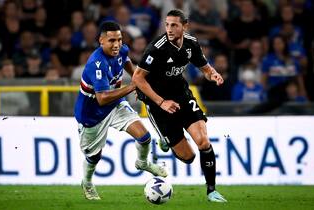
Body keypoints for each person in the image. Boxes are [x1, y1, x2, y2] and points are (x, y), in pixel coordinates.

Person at [132, 9, 227, 202]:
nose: (169, 29)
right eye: (167, 25)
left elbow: (205, 69)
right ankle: (164, 137)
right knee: (188, 157)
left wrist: (213, 75)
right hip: (157, 102)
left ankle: (212, 191)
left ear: (185, 26)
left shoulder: (191, 43)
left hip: (182, 96)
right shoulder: (156, 48)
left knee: (203, 142)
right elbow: (137, 78)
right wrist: (161, 102)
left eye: (174, 25)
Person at [74, 21, 167, 201]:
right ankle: (87, 182)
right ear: (101, 41)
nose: (116, 44)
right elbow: (102, 99)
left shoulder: (122, 50)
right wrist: (134, 86)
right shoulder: (96, 64)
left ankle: (142, 163)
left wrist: (136, 78)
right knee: (94, 157)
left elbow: (126, 61)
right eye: (111, 40)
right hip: (92, 115)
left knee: (144, 137)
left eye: (119, 39)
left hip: (115, 104)